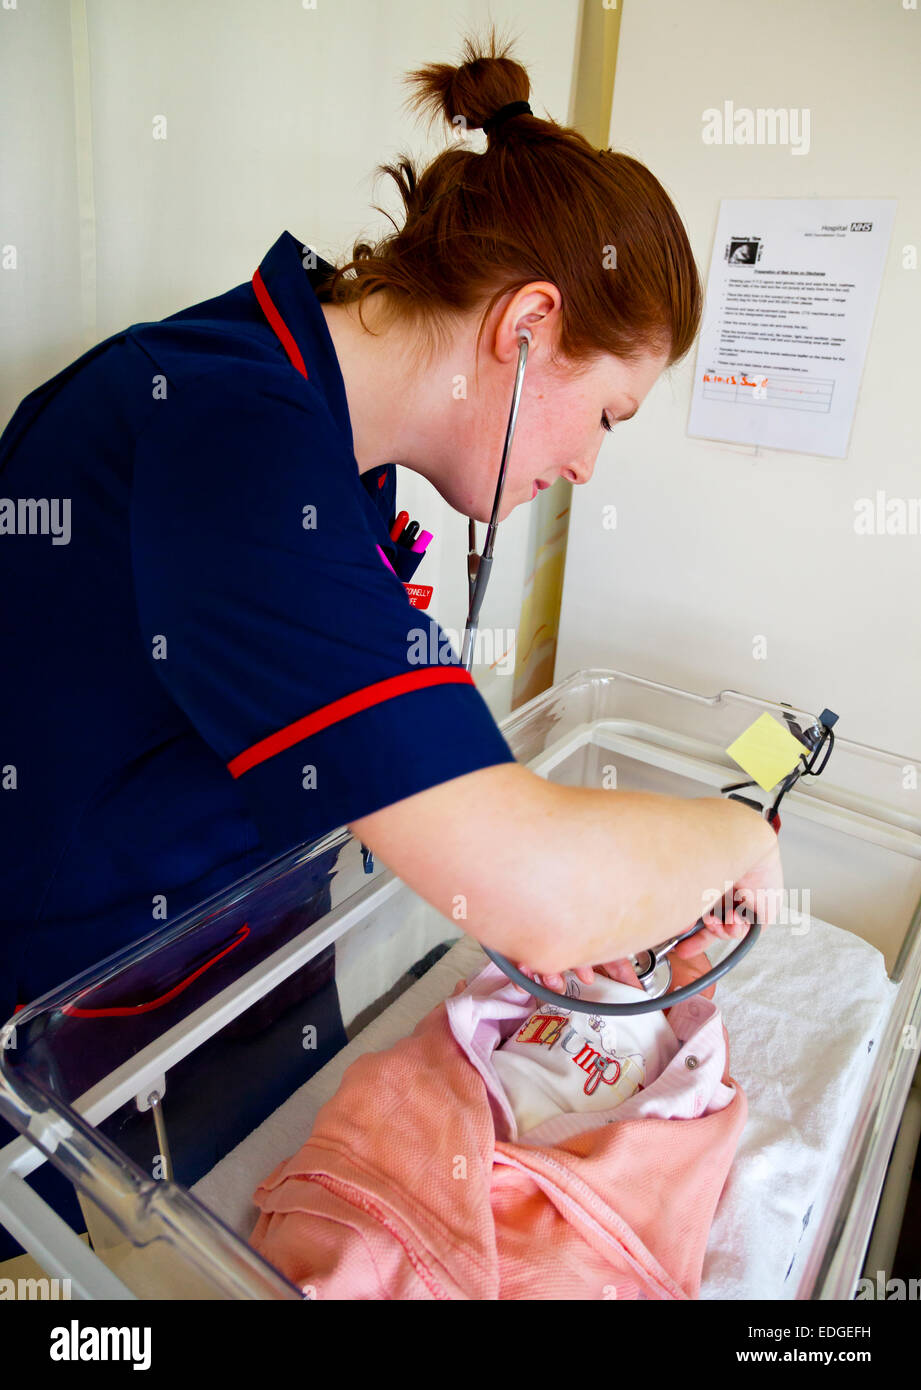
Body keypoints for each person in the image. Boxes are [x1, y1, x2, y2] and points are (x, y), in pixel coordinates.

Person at [0, 30, 781, 1029]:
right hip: (95, 1022)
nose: (587, 464)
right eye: (606, 416)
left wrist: (577, 893)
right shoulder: (232, 443)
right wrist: (736, 834)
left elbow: (420, 779)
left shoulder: (332, 445)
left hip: (232, 950)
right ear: (527, 325)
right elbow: (526, 874)